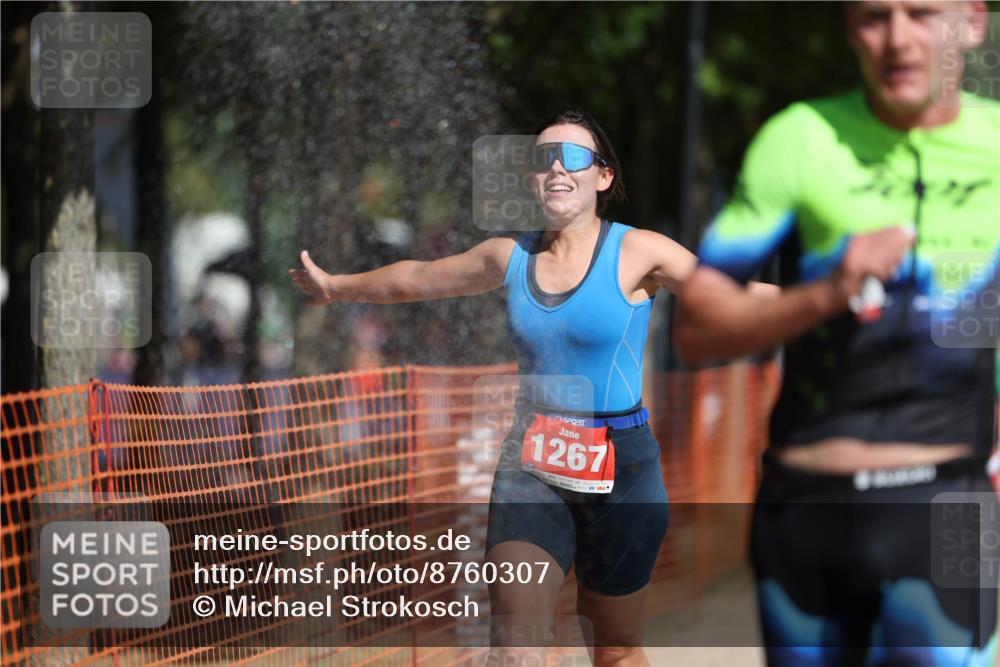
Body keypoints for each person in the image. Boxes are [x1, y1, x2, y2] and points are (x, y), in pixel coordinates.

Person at [290, 109, 774, 665]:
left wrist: (828, 303)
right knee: (516, 650)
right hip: (533, 468)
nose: (556, 170)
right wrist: (335, 286)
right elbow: (417, 278)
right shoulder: (510, 255)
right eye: (543, 159)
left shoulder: (641, 252)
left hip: (624, 468)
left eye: (572, 158)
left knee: (614, 652)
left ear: (603, 176)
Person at [675, 2, 999, 665]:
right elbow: (696, 329)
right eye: (875, 16)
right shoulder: (801, 138)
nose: (899, 38)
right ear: (851, 29)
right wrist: (827, 291)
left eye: (922, 13)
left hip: (949, 508)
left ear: (972, 22)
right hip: (805, 517)